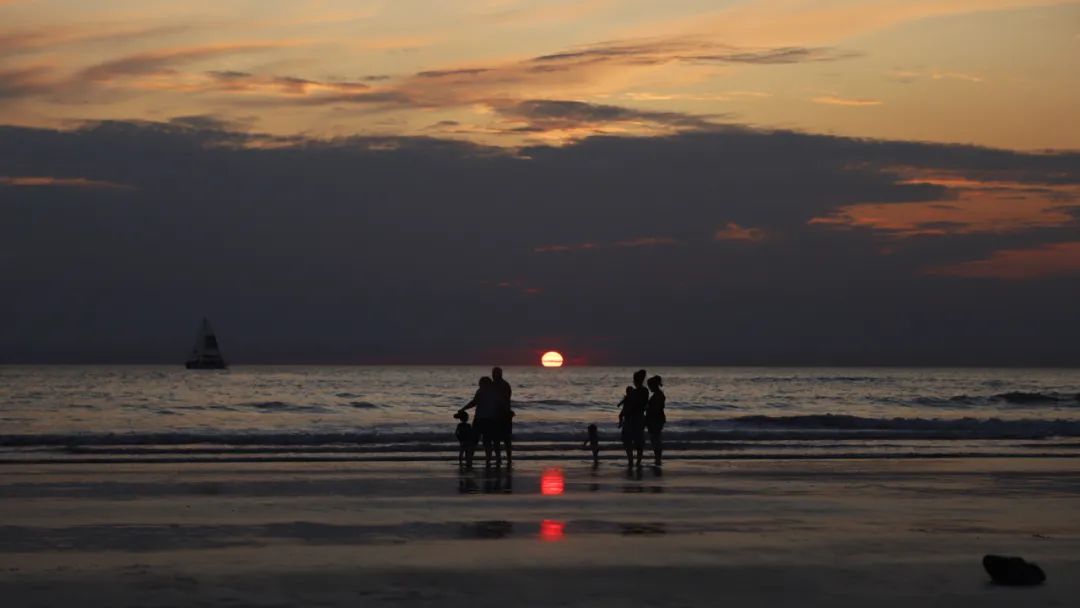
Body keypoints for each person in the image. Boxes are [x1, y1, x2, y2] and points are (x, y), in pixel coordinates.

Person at [458, 376, 503, 466]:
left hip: (479, 419)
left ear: (483, 383)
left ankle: (470, 459)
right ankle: (488, 460)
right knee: (487, 441)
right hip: (490, 420)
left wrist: (463, 409)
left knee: (474, 441)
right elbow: (499, 406)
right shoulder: (495, 393)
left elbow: (474, 402)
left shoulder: (480, 392)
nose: (479, 384)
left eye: (480, 383)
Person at [618, 370, 649, 468]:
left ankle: (634, 461)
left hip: (636, 418)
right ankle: (633, 461)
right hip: (634, 418)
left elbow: (639, 404)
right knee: (631, 440)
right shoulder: (638, 391)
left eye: (634, 380)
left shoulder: (642, 391)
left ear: (636, 380)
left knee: (634, 440)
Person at [492, 366, 514, 466]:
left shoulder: (504, 385)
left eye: (496, 373)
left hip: (504, 415)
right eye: (493, 373)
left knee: (506, 439)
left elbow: (505, 400)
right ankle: (499, 458)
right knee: (496, 439)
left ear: (500, 374)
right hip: (495, 415)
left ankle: (508, 459)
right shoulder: (493, 385)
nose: (494, 375)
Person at [645, 375, 666, 466]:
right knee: (655, 439)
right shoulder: (658, 394)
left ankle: (658, 459)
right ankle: (657, 458)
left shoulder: (658, 395)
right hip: (656, 419)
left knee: (655, 439)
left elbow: (656, 409)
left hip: (655, 420)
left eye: (649, 386)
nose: (649, 388)